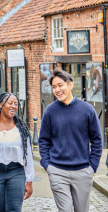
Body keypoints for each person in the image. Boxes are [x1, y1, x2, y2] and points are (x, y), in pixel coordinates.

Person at [39, 69, 102, 212]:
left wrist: (92, 166)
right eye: (54, 87)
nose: (57, 90)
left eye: (60, 85)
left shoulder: (87, 110)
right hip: (57, 170)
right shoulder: (50, 111)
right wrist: (47, 165)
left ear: (70, 84)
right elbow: (43, 140)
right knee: (65, 210)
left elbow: (97, 140)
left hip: (83, 170)